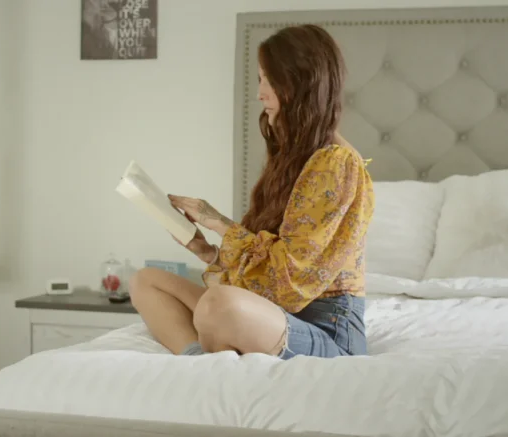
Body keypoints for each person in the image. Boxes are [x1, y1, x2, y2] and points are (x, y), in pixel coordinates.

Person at [129, 24, 374, 360]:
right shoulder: (292, 155)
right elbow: (263, 271)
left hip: (325, 327)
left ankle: (213, 355)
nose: (260, 93)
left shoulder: (337, 164)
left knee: (218, 305)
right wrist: (208, 253)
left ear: (298, 83)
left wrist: (217, 222)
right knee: (146, 281)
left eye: (267, 80)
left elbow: (290, 281)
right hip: (269, 312)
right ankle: (200, 361)